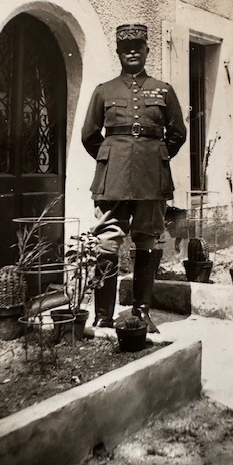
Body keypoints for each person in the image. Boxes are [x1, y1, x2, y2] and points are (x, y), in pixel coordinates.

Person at [81, 23, 186, 332]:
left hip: (151, 181)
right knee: (108, 242)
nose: (132, 52)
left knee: (147, 243)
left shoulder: (163, 90)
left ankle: (142, 312)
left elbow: (177, 134)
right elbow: (89, 136)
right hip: (113, 181)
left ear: (146, 51)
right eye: (126, 48)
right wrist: (111, 159)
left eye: (138, 46)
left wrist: (155, 158)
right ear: (118, 52)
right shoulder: (104, 90)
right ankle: (103, 315)